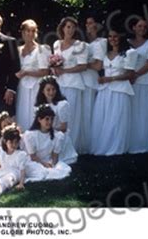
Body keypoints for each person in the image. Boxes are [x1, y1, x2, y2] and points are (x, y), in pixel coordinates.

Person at [90, 30, 137, 156]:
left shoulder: (128, 53)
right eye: (110, 36)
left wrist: (110, 79)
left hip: (119, 90)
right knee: (103, 118)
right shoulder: (105, 53)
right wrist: (102, 79)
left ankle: (116, 147)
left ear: (120, 37)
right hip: (105, 90)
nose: (112, 39)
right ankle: (103, 146)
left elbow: (130, 74)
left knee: (117, 119)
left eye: (115, 36)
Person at [52, 17, 88, 152]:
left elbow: (83, 66)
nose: (70, 30)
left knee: (71, 115)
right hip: (59, 84)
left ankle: (72, 146)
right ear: (62, 28)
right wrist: (54, 69)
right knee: (58, 113)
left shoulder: (79, 45)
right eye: (68, 27)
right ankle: (57, 146)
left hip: (73, 84)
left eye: (73, 27)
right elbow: (55, 62)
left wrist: (64, 70)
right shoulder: (56, 44)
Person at [128, 19, 148, 153]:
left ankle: (145, 142)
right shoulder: (127, 43)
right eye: (139, 26)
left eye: (145, 26)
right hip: (129, 82)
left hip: (144, 80)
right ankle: (129, 141)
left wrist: (135, 75)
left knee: (144, 112)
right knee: (131, 112)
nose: (142, 28)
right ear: (134, 27)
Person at [15, 19, 50, 130]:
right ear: (23, 32)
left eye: (32, 31)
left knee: (33, 111)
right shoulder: (18, 50)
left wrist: (27, 72)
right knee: (22, 110)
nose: (30, 34)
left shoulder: (41, 49)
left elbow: (45, 71)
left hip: (36, 86)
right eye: (27, 31)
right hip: (22, 86)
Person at [34, 76, 78, 164]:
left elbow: (63, 127)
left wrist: (47, 131)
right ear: (42, 91)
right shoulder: (39, 106)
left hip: (57, 134)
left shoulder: (62, 105)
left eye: (53, 89)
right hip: (43, 133)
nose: (51, 92)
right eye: (48, 90)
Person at [22, 105, 71, 181]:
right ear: (39, 119)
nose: (50, 122)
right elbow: (33, 156)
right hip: (35, 161)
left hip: (48, 160)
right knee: (39, 171)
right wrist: (44, 164)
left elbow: (55, 156)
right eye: (47, 119)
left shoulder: (57, 136)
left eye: (51, 119)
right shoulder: (30, 135)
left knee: (60, 170)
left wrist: (52, 164)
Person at [81, 21, 106, 153]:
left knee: (89, 110)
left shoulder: (100, 43)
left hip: (91, 79)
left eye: (91, 24)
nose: (89, 26)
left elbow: (98, 65)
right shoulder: (84, 43)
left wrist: (83, 65)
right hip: (81, 79)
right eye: (87, 24)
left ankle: (90, 142)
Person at [0, 125, 28, 197]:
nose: (14, 145)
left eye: (16, 142)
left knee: (8, 179)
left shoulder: (20, 154)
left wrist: (21, 183)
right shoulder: (1, 152)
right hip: (4, 171)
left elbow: (22, 170)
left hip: (15, 172)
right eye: (11, 142)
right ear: (5, 141)